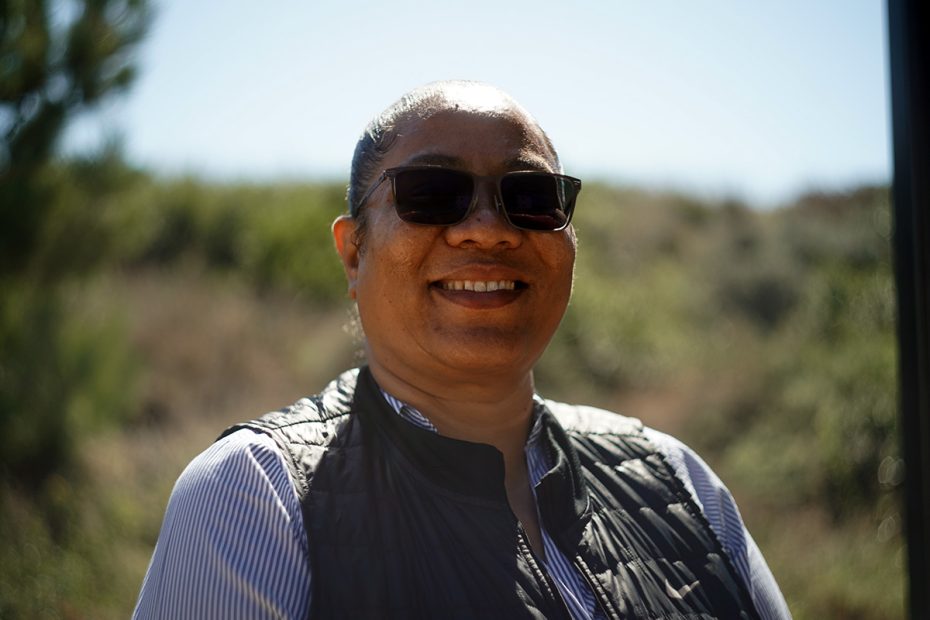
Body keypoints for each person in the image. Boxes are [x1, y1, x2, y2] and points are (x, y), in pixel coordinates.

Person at [134, 80, 791, 619]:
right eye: (433, 194)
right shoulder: (255, 498)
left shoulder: (678, 480)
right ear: (354, 252)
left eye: (530, 198)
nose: (488, 229)